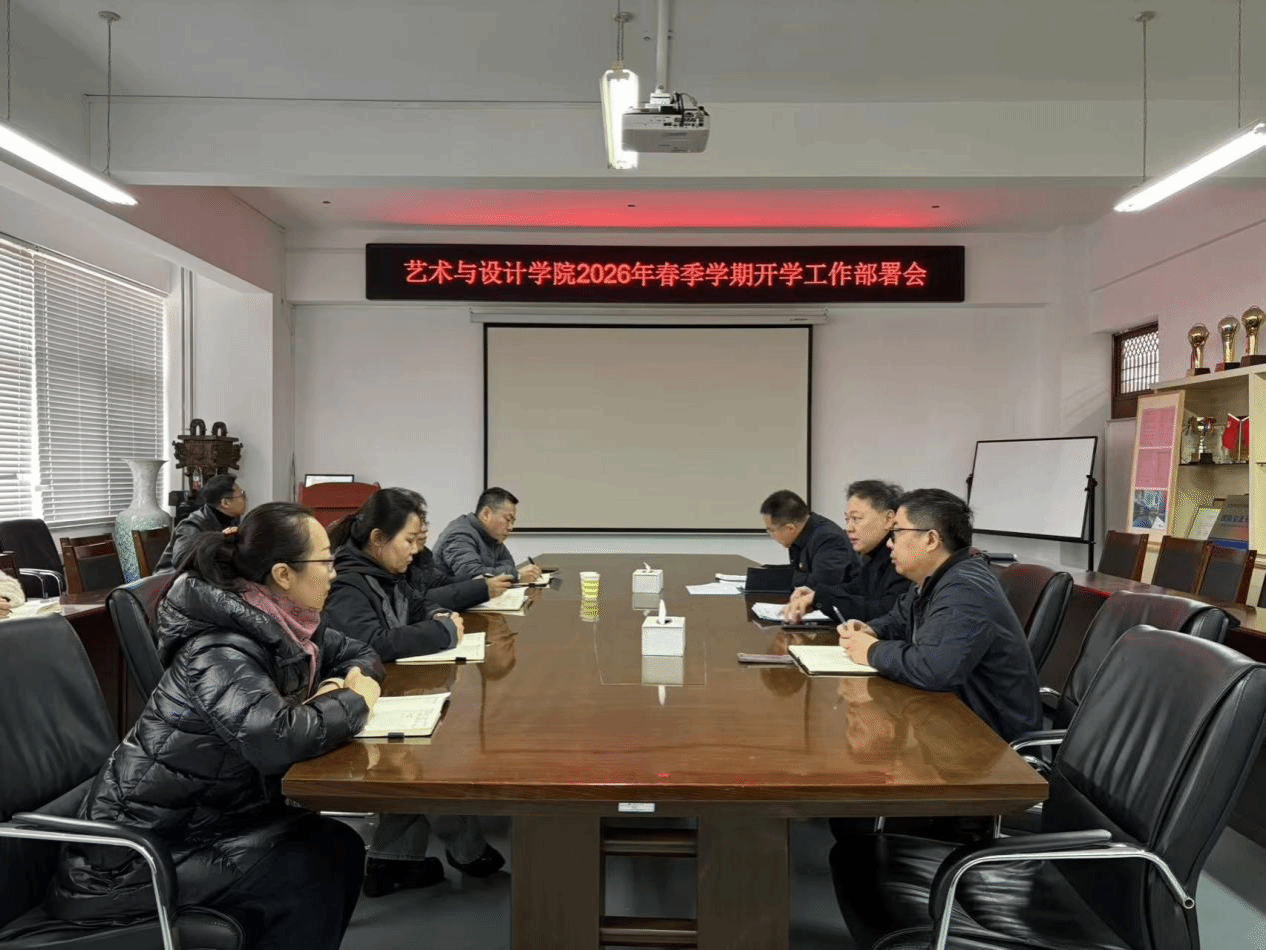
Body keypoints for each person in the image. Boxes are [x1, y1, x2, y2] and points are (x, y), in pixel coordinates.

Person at [47, 502, 382, 950]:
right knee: (311, 866)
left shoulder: (288, 622)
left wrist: (337, 683)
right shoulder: (217, 647)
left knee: (336, 846)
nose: (334, 573)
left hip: (206, 822)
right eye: (326, 561)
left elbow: (361, 652)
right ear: (283, 574)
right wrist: (353, 700)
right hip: (123, 861)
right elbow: (276, 738)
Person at [324, 488, 506, 893]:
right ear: (377, 538)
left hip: (387, 689)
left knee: (433, 739)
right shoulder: (349, 584)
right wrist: (441, 632)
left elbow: (419, 603)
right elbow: (374, 643)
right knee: (435, 753)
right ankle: (465, 849)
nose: (416, 550)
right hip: (353, 700)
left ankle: (393, 861)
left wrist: (438, 615)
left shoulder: (386, 574)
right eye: (409, 540)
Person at [836, 488, 1041, 742]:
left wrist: (871, 650)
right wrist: (871, 630)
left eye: (897, 532)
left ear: (931, 540)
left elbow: (934, 668)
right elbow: (897, 620)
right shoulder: (934, 578)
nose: (889, 542)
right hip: (951, 722)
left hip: (990, 741)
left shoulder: (965, 588)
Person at [784, 480, 911, 623]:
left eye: (856, 519)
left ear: (888, 519)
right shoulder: (873, 555)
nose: (849, 528)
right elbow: (856, 589)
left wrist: (821, 598)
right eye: (847, 519)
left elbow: (885, 612)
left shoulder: (903, 558)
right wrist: (816, 595)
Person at [397, 489, 513, 611]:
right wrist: (481, 587)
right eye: (508, 519)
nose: (425, 528)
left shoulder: (422, 555)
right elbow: (415, 602)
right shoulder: (460, 533)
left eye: (424, 521)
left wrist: (480, 582)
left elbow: (441, 582)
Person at [759, 489, 858, 598]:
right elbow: (799, 572)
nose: (770, 534)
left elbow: (819, 584)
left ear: (790, 528)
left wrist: (776, 577)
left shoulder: (829, 539)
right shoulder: (802, 532)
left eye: (771, 530)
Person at [433, 487, 542, 584]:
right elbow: (473, 576)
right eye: (508, 519)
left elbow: (508, 564)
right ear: (486, 514)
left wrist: (495, 572)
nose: (510, 527)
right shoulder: (459, 534)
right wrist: (516, 575)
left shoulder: (492, 536)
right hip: (447, 599)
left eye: (512, 522)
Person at [155, 474, 248, 571]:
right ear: (225, 503)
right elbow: (182, 560)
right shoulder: (192, 525)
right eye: (242, 494)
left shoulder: (233, 520)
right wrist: (220, 539)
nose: (246, 499)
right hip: (173, 577)